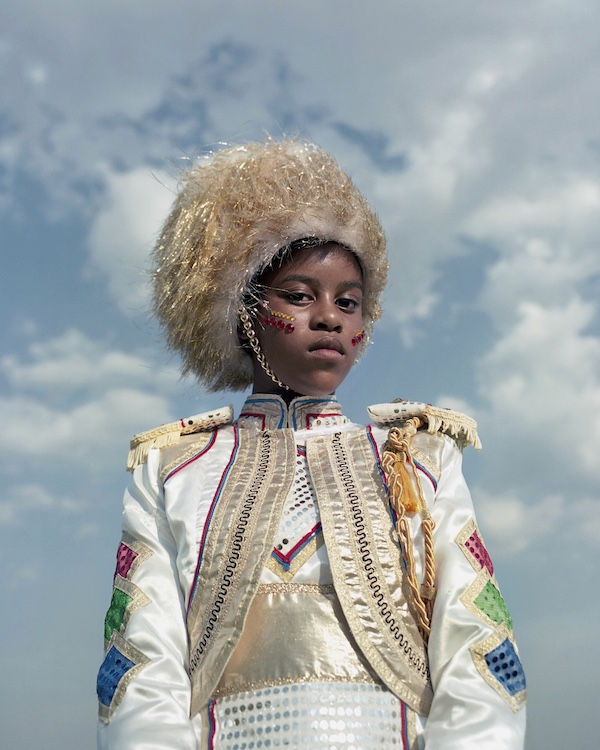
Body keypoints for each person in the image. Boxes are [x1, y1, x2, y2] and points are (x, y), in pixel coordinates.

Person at [97, 140, 526, 749]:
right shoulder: (172, 471)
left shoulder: (420, 461)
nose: (330, 317)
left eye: (348, 303)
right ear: (243, 310)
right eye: (299, 296)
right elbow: (139, 666)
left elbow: (478, 649)